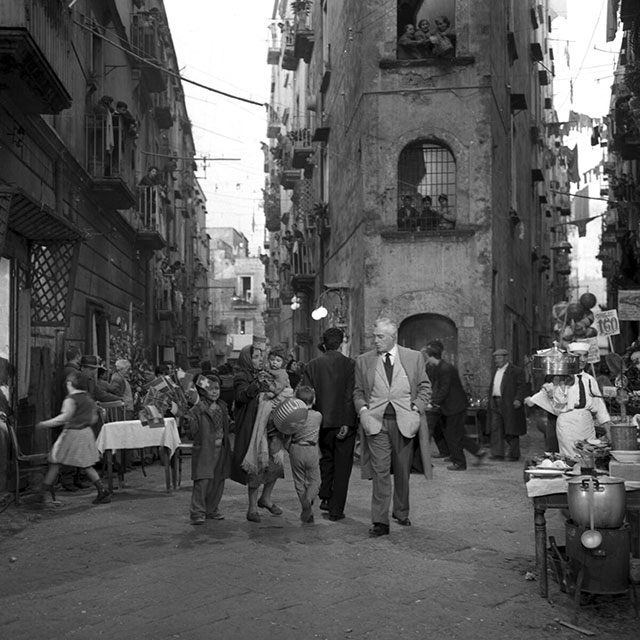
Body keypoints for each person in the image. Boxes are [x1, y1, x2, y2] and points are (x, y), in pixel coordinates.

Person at [353, 317, 431, 537]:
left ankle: (401, 511)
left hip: (405, 422)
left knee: (403, 470)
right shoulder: (364, 361)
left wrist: (416, 409)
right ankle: (380, 521)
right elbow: (358, 392)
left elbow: (425, 387)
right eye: (374, 336)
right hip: (377, 422)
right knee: (380, 472)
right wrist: (363, 411)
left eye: (380, 337)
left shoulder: (414, 358)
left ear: (393, 337)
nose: (375, 341)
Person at [300, 327, 357, 521]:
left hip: (321, 421)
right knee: (343, 467)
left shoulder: (312, 365)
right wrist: (347, 422)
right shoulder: (350, 364)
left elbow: (306, 395)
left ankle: (325, 495)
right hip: (344, 423)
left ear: (324, 342)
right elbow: (350, 395)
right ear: (341, 343)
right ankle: (336, 510)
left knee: (326, 459)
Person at [36, 371, 112, 505]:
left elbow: (64, 417)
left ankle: (41, 495)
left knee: (55, 460)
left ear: (69, 384)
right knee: (86, 464)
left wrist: (45, 423)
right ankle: (102, 491)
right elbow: (94, 418)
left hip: (73, 432)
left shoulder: (71, 399)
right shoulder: (88, 398)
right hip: (86, 432)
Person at [230, 345, 286, 523]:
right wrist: (256, 385)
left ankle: (266, 498)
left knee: (275, 465)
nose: (259, 360)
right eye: (255, 357)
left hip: (270, 426)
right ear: (247, 359)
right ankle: (252, 507)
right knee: (256, 467)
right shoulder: (242, 377)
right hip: (253, 427)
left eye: (261, 356)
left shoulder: (264, 372)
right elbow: (241, 397)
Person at [424, 342, 487, 471]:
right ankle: (477, 451)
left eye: (425, 355)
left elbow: (444, 389)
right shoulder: (439, 367)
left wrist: (433, 402)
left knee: (453, 435)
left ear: (431, 356)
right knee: (456, 434)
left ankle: (460, 463)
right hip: (450, 406)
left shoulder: (445, 368)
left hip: (455, 407)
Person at [184, 374, 232, 525]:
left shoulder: (222, 407)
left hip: (221, 449)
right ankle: (197, 512)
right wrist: (187, 420)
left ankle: (212, 509)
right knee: (203, 480)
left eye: (217, 388)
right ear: (202, 391)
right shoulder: (197, 409)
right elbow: (191, 431)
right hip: (205, 449)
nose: (214, 392)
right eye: (210, 389)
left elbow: (228, 424)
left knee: (218, 480)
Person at [286, 385, 322, 524]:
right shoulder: (318, 416)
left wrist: (289, 448)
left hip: (296, 449)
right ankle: (309, 499)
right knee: (315, 481)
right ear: (313, 400)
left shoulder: (293, 418)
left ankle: (305, 506)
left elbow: (288, 435)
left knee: (299, 482)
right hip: (311, 450)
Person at [488, 349, 527, 461]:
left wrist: (518, 399)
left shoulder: (516, 371)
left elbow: (521, 386)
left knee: (511, 429)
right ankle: (498, 453)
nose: (496, 360)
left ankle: (514, 454)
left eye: (499, 358)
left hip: (509, 402)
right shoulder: (496, 371)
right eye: (495, 358)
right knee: (496, 428)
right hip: (496, 402)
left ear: (506, 358)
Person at [421, 343, 449, 459]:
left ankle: (422, 456)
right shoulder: (430, 366)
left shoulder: (434, 367)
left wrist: (432, 401)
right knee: (438, 429)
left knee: (428, 429)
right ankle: (444, 451)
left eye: (424, 354)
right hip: (435, 401)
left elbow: (434, 385)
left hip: (433, 402)